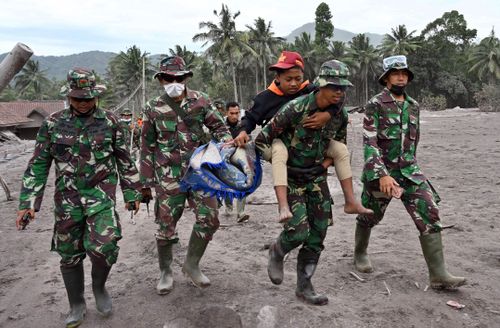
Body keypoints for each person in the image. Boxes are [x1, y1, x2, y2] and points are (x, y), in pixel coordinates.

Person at [16, 68, 142, 327]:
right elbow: (38, 165)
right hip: (67, 202)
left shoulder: (110, 122)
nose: (83, 103)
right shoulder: (52, 123)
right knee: (69, 254)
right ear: (69, 96)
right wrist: (29, 203)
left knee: (105, 247)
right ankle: (76, 303)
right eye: (77, 98)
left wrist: (132, 192)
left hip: (100, 198)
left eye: (88, 98)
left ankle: (99, 288)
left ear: (96, 96)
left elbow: (124, 160)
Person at [354, 55, 466, 289]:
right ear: (386, 78)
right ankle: (360, 253)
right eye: (395, 73)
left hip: (409, 172)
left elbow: (413, 142)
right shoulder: (375, 104)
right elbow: (370, 141)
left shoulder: (413, 106)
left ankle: (438, 275)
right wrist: (381, 174)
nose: (401, 77)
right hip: (381, 173)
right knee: (370, 215)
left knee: (430, 212)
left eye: (404, 73)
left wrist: (411, 165)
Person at [255, 60, 354, 305]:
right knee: (298, 231)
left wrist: (323, 166)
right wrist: (280, 161)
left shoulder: (339, 114)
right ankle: (277, 251)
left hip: (317, 180)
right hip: (292, 181)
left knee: (317, 235)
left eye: (343, 87)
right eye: (334, 86)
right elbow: (261, 140)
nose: (339, 92)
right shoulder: (295, 108)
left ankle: (304, 286)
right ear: (320, 85)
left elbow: (339, 145)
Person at [233, 51, 370, 222]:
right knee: (279, 153)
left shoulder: (310, 89)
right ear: (278, 77)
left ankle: (350, 201)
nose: (293, 84)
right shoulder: (265, 98)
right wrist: (243, 131)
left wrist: (328, 114)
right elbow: (251, 118)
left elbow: (337, 97)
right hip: (278, 140)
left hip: (306, 141)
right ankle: (283, 206)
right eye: (288, 79)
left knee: (340, 149)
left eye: (297, 79)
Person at [140, 56, 232, 295]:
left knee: (210, 218)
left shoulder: (201, 100)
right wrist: (145, 183)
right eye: (169, 78)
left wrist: (223, 147)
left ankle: (192, 265)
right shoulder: (152, 108)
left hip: (199, 173)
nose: (174, 82)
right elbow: (147, 146)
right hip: (168, 175)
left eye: (179, 78)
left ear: (186, 78)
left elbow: (220, 129)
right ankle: (165, 271)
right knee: (165, 226)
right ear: (161, 80)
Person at [223, 101, 250, 223]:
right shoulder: (220, 125)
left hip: (239, 157)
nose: (234, 116)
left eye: (237, 113)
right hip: (225, 158)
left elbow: (248, 140)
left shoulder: (243, 125)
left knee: (243, 182)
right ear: (226, 112)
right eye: (231, 113)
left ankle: (241, 213)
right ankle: (228, 207)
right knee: (228, 184)